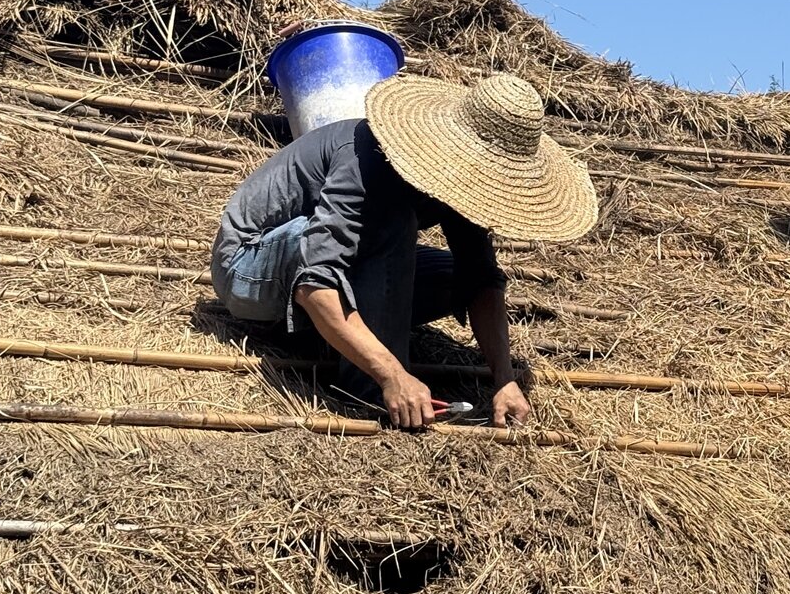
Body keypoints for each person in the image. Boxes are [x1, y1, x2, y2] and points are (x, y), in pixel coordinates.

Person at [210, 72, 597, 429]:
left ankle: (343, 338)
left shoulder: (458, 183)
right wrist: (393, 375)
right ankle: (368, 391)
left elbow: (480, 278)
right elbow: (315, 281)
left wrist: (504, 379)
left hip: (317, 267)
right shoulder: (367, 160)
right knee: (391, 221)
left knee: (454, 277)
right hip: (248, 267)